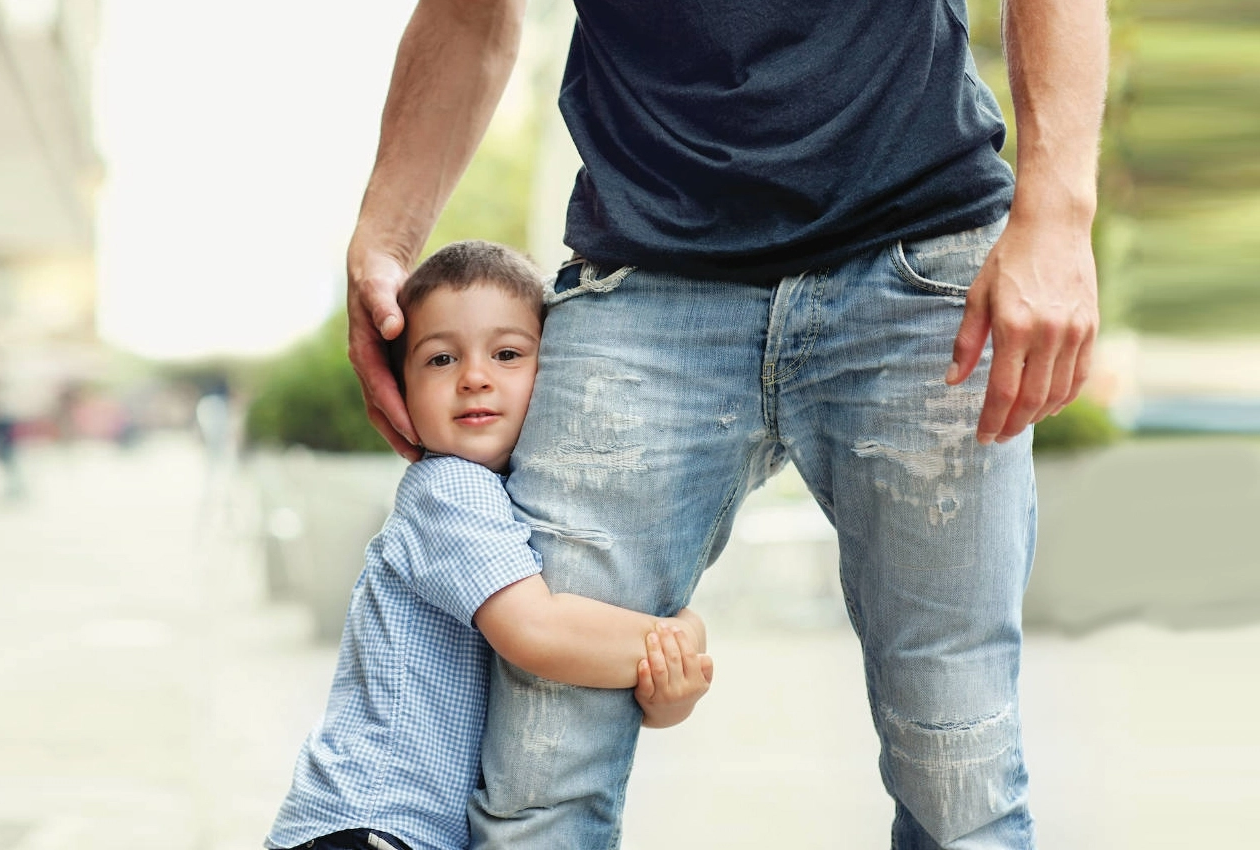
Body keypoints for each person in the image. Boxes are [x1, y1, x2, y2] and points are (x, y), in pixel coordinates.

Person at [344, 1, 1107, 847]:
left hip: (919, 256)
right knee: (539, 774)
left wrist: (1058, 213)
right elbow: (467, 13)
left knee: (959, 765)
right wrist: (383, 239)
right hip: (642, 271)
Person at [266, 240, 715, 850]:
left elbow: (609, 688)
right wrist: (682, 635)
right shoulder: (450, 489)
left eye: (507, 354)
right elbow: (538, 634)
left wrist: (670, 691)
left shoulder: (515, 501)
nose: (475, 377)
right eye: (441, 359)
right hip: (370, 823)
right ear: (397, 389)